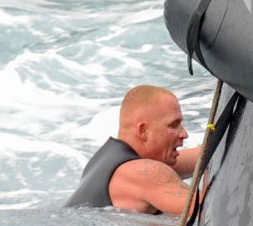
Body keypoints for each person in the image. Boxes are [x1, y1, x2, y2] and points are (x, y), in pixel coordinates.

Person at [64, 84, 203, 215]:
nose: (184, 134)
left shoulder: (106, 161)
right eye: (173, 125)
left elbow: (203, 156)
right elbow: (208, 212)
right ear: (143, 131)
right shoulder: (143, 173)